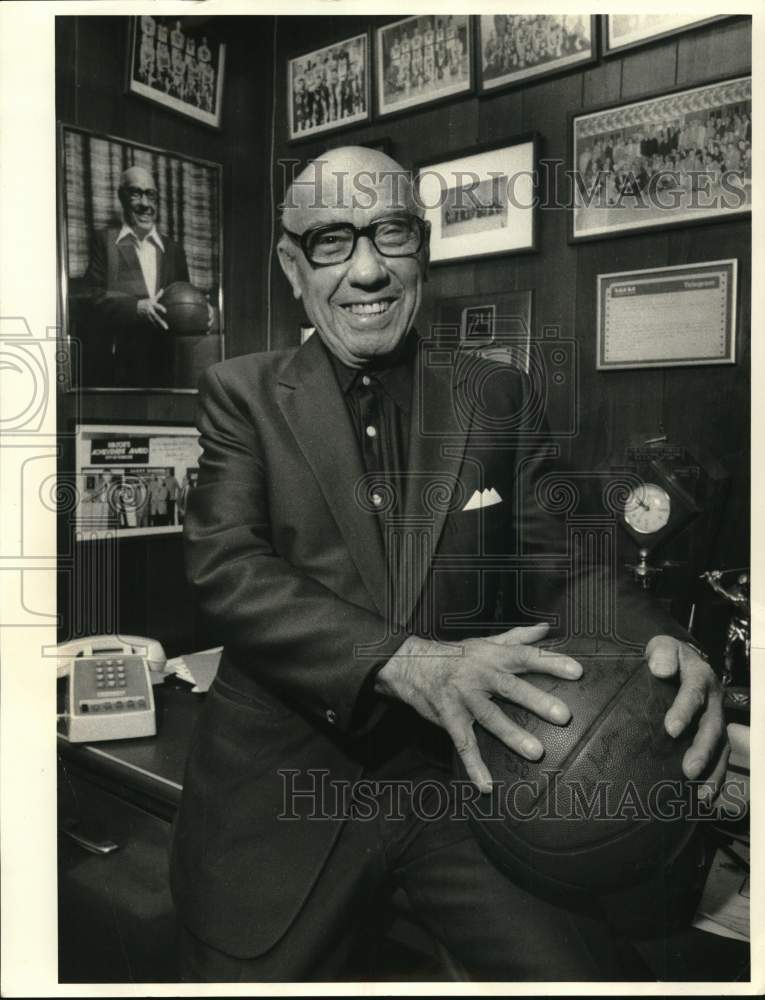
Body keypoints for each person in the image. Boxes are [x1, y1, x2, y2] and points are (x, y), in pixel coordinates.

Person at [171, 146, 727, 982]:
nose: (366, 270)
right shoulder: (241, 394)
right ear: (293, 267)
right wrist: (409, 663)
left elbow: (564, 567)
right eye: (331, 240)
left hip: (468, 782)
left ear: (421, 247)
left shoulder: (496, 397)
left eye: (389, 233)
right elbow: (227, 564)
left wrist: (663, 646)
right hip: (280, 796)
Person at [83, 164, 212, 388]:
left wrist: (201, 308)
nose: (145, 204)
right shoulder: (104, 241)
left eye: (150, 195)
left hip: (168, 368)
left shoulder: (174, 250)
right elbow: (92, 297)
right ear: (121, 197)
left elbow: (183, 297)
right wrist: (137, 307)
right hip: (118, 369)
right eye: (136, 193)